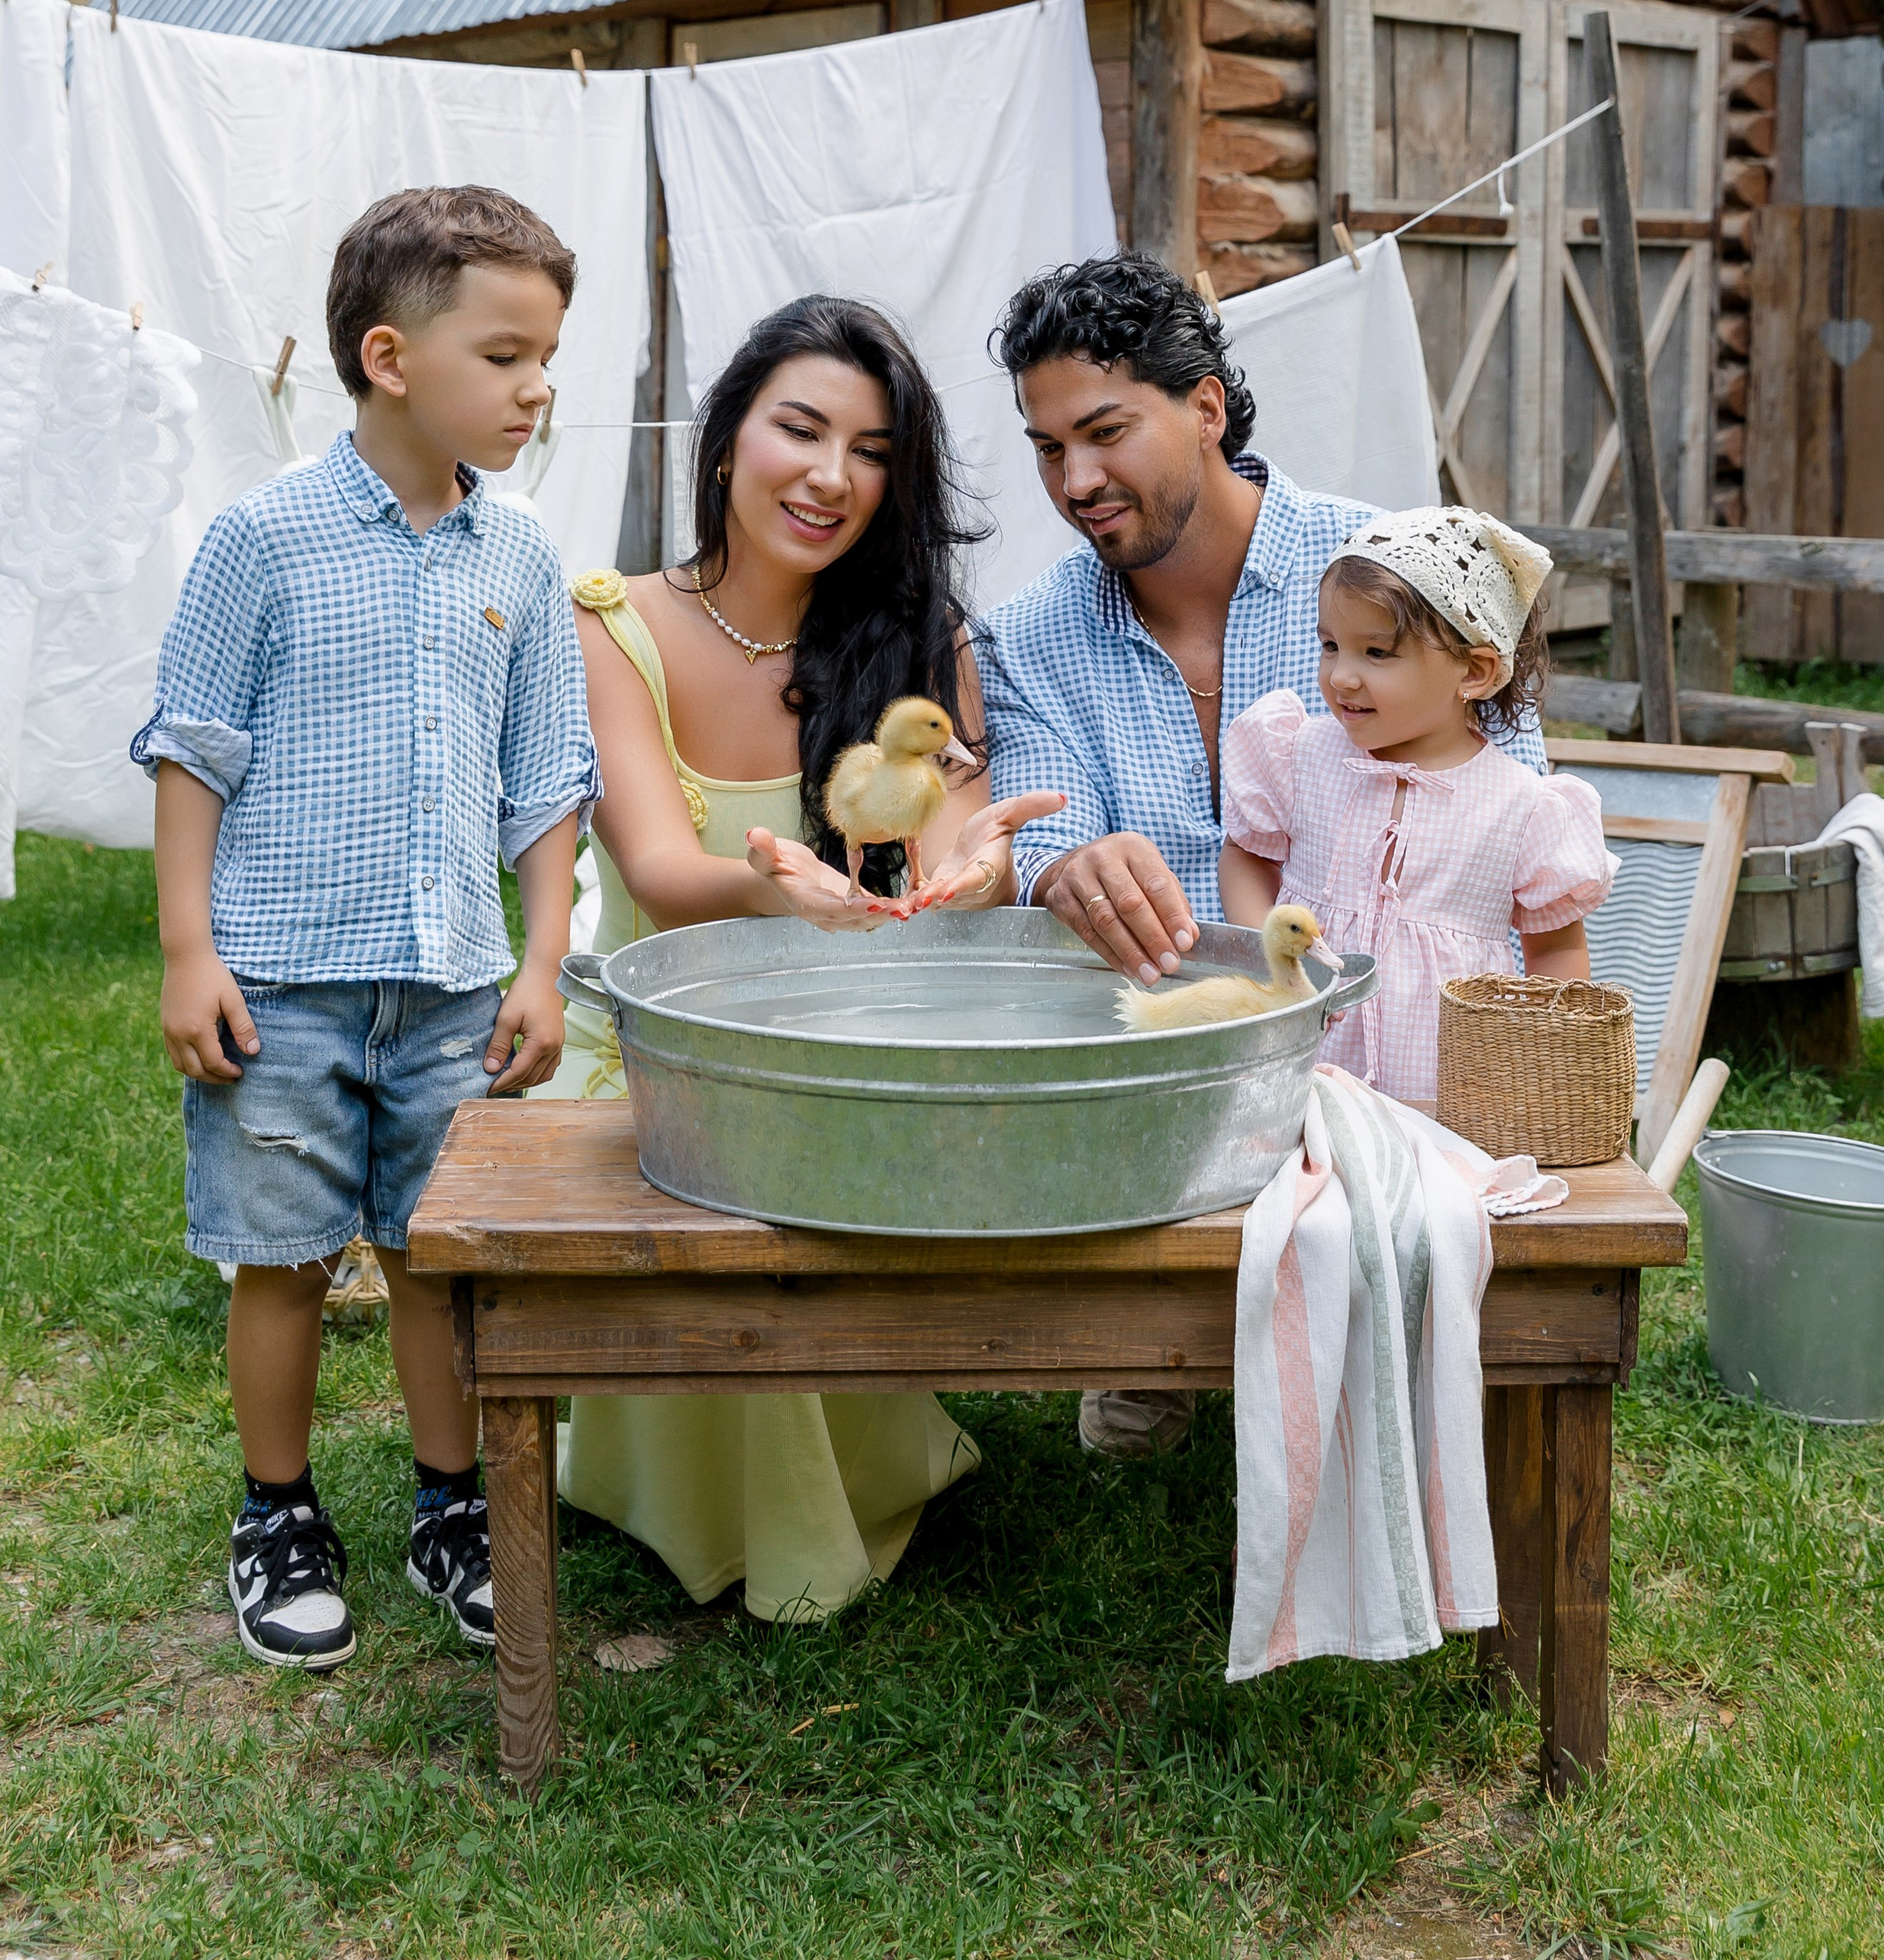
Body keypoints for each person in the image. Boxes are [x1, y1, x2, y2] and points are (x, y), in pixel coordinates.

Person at [974, 253, 1548, 1455]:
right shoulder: (1026, 635)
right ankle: (1161, 1333)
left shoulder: (1387, 567)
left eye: (1104, 431)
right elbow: (1039, 825)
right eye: (1045, 448)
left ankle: (1381, 1322)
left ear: (1207, 407)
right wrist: (1067, 865)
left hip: (1393, 1049)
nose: (1075, 480)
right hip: (1170, 1074)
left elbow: (1516, 795)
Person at [541, 293, 1061, 1620]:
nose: (834, 477)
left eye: (874, 451)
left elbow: (949, 812)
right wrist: (783, 888)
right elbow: (657, 875)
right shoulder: (613, 624)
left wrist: (974, 864)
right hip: (649, 1058)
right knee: (734, 1203)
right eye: (802, 430)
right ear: (726, 440)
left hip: (832, 1050)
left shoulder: (909, 635)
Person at [137, 188, 597, 1670]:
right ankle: (278, 1512)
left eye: (548, 358)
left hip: (458, 985)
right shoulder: (260, 540)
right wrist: (189, 953)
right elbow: (193, 749)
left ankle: (449, 1503)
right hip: (280, 984)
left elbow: (546, 781)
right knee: (278, 1257)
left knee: (435, 1259)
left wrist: (540, 962)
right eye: (507, 354)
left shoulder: (520, 559)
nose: (538, 387)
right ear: (392, 356)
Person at [1219, 507, 1615, 1107]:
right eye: (1330, 646)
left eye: (1376, 653)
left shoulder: (1523, 806)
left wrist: (1542, 1056)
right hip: (1298, 1061)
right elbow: (1247, 857)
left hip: (1450, 1075)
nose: (1341, 677)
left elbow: (1556, 947)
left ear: (1475, 672)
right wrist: (1272, 966)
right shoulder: (1300, 754)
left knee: (1438, 1195)